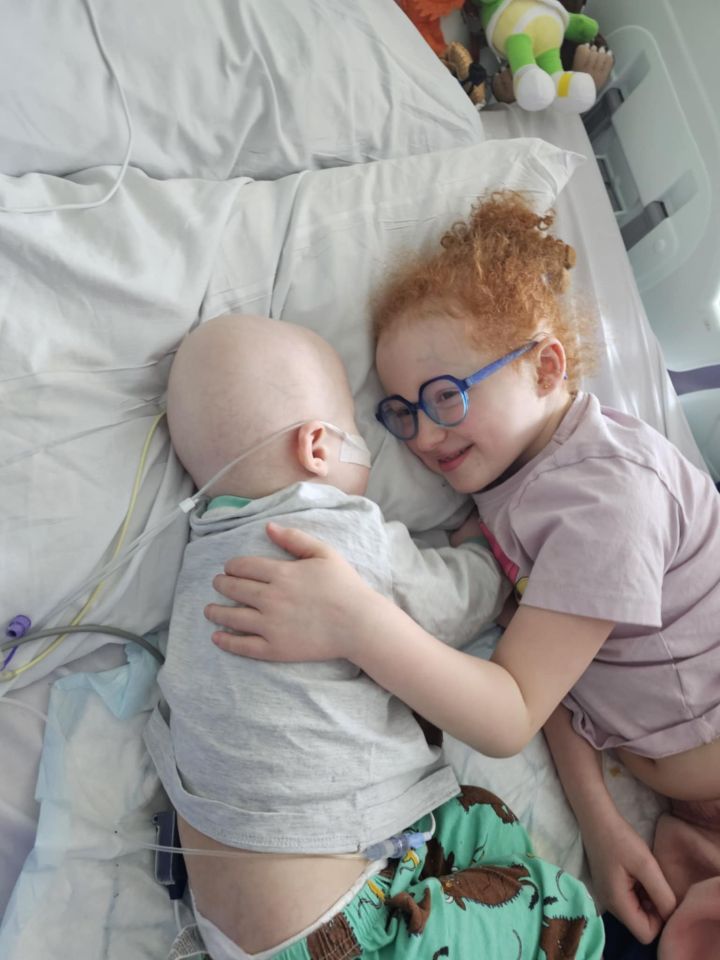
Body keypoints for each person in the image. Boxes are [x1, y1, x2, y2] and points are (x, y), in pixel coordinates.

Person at [206, 193, 720, 960]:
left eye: (447, 395)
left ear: (546, 367)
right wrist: (600, 821)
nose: (426, 434)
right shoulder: (520, 479)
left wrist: (354, 620)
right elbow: (546, 672)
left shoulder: (605, 498)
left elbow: (511, 708)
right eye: (403, 413)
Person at [145, 312, 603, 960]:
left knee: (468, 813)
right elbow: (452, 602)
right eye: (361, 432)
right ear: (318, 448)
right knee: (560, 909)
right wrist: (479, 554)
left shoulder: (199, 563)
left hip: (226, 924)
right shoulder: (337, 531)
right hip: (348, 931)